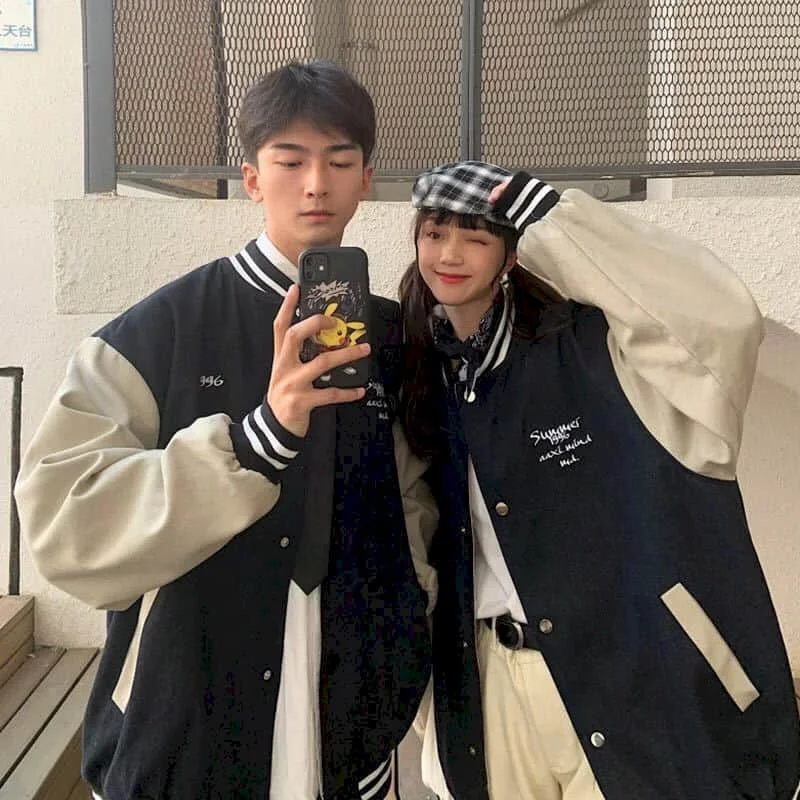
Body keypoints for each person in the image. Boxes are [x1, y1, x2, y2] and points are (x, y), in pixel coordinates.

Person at [15, 61, 438, 800]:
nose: (316, 184)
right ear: (251, 179)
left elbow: (414, 510)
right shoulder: (162, 332)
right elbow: (60, 519)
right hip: (188, 724)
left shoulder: (394, 336)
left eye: (340, 161)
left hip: (352, 721)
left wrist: (401, 647)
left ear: (366, 180)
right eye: (290, 161)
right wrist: (254, 443)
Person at [399, 160, 800, 799]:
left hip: (633, 682)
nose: (449, 254)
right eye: (434, 233)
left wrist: (558, 221)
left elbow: (717, 322)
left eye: (475, 237)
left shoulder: (591, 352)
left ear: (511, 254)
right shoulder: (425, 373)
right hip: (492, 683)